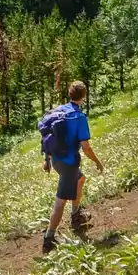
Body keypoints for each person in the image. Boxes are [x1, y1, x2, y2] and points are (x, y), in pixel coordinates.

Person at [42, 80, 104, 253]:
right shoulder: (79, 117)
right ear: (83, 96)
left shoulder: (58, 111)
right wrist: (97, 162)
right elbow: (86, 147)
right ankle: (49, 238)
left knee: (81, 179)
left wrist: (47, 159)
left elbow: (46, 135)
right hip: (69, 163)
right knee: (60, 202)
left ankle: (76, 214)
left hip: (57, 160)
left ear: (69, 94)